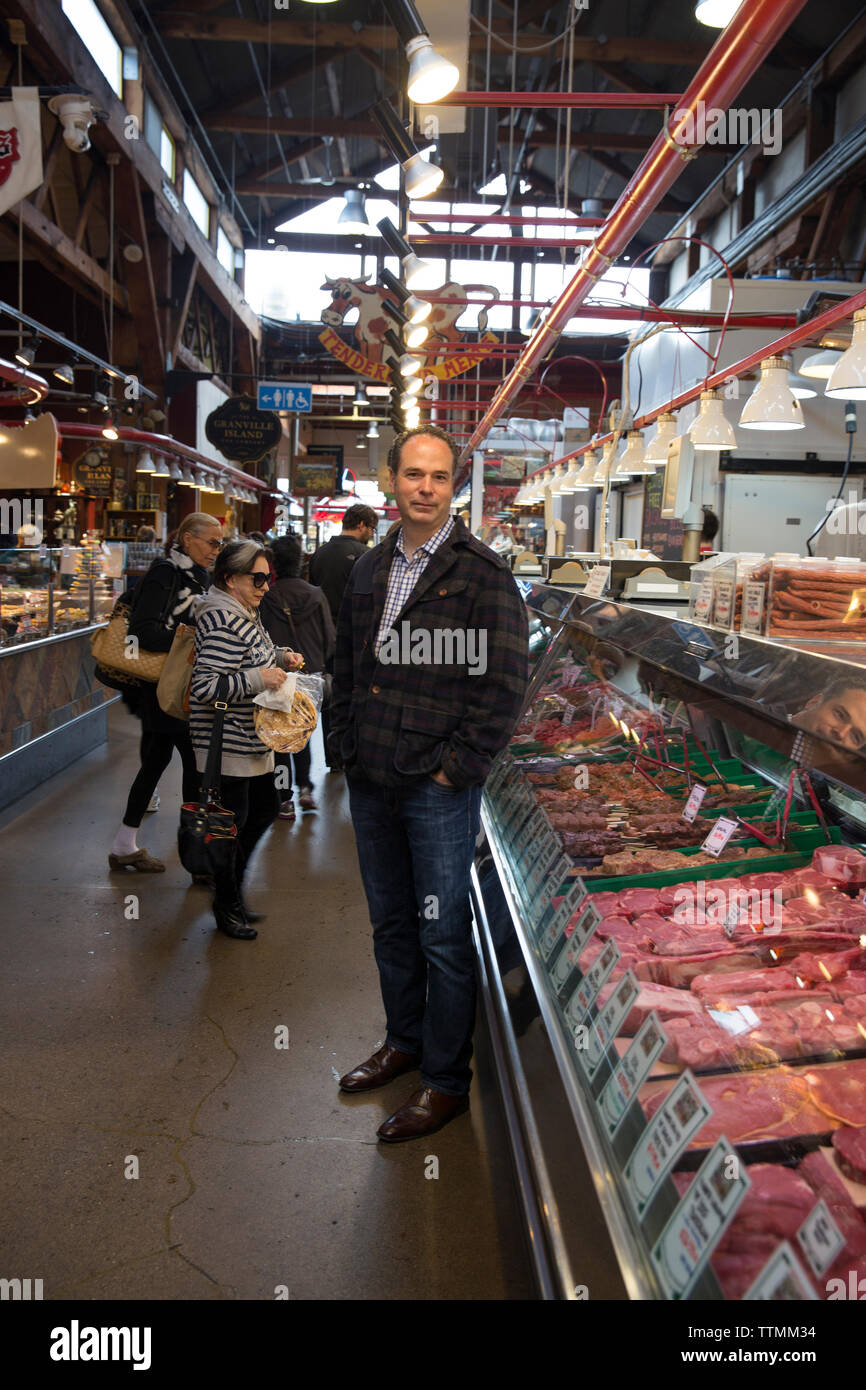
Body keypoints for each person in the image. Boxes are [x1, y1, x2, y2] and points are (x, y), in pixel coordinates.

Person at [329, 424, 529, 1142]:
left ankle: (446, 1080)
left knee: (444, 934)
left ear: (454, 486)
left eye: (439, 477)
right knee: (391, 925)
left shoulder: (483, 575)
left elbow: (504, 687)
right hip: (373, 779)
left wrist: (456, 769)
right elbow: (347, 669)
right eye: (413, 474)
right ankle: (403, 1042)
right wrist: (345, 746)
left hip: (435, 790)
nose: (424, 487)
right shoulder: (368, 569)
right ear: (392, 481)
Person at [189, 540, 303, 939]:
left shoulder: (243, 612)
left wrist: (281, 657)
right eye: (258, 578)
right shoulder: (221, 617)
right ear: (230, 578)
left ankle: (232, 893)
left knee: (261, 811)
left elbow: (252, 655)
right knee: (234, 825)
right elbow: (204, 685)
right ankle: (226, 902)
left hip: (247, 740)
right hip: (228, 744)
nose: (266, 586)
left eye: (267, 578)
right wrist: (261, 678)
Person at [108, 512, 222, 874]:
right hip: (164, 690)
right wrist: (193, 643)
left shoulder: (198, 577)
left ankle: (124, 845)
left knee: (157, 762)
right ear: (188, 538)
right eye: (212, 542)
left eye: (220, 544)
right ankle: (196, 860)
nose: (216, 550)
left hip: (178, 688)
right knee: (194, 767)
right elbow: (141, 632)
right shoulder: (164, 574)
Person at [259, 534, 335, 819]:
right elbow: (330, 639)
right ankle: (305, 788)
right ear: (301, 560)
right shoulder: (316, 595)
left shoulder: (267, 595)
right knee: (302, 733)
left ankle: (283, 799)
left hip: (276, 674)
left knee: (279, 738)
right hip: (310, 674)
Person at [309, 503, 378, 770]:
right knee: (355, 691)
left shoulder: (319, 554)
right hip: (355, 636)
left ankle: (333, 756)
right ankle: (353, 753)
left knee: (330, 692)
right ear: (361, 525)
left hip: (322, 634)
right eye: (370, 528)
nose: (370, 533)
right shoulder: (366, 556)